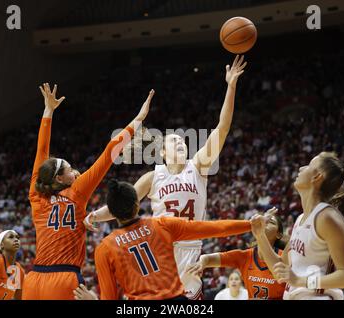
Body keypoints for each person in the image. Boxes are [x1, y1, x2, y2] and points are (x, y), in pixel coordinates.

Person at [86, 55, 248, 299]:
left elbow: (222, 129)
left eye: (183, 140)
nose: (181, 142)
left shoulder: (199, 166)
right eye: (174, 141)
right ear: (162, 152)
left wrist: (231, 86)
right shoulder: (153, 177)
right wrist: (95, 216)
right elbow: (123, 204)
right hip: (160, 250)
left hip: (191, 249)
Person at [22, 83, 154, 300]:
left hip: (33, 280)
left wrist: (48, 111)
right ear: (59, 179)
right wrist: (138, 121)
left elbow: (41, 151)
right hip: (63, 280)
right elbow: (110, 151)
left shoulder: (36, 194)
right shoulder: (77, 191)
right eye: (70, 169)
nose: (75, 171)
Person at [93, 179, 252, 300]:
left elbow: (109, 297)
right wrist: (250, 225)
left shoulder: (105, 248)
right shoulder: (162, 225)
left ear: (112, 214)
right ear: (137, 205)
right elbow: (216, 228)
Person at [251, 152, 344, 300]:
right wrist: (260, 236)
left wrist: (300, 281)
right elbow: (279, 269)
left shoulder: (327, 217)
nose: (301, 168)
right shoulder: (300, 219)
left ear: (317, 177)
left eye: (309, 165)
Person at [187, 209, 285, 299]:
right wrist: (201, 263)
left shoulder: (286, 258)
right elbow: (207, 258)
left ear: (279, 234)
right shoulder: (244, 256)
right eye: (263, 220)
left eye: (270, 222)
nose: (264, 223)